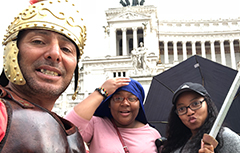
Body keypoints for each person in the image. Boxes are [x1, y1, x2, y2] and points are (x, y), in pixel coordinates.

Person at [0, 0, 87, 152]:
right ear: (12, 51)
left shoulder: (75, 137)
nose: (55, 54)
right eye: (39, 41)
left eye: (66, 49)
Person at [65, 78, 161, 153]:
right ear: (109, 104)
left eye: (131, 98)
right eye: (118, 98)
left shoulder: (153, 134)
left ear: (139, 104)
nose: (125, 103)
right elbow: (66, 129)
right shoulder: (96, 124)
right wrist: (101, 92)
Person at [161, 82, 240, 153]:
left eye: (195, 104)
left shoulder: (224, 137)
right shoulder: (177, 143)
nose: (189, 112)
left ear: (208, 104)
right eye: (181, 109)